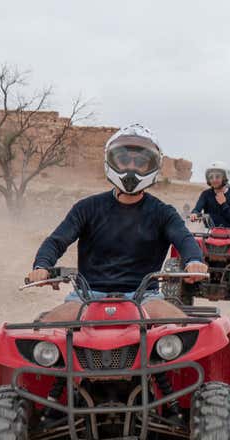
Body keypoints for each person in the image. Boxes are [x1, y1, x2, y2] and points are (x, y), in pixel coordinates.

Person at [26, 124, 208, 321]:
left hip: (146, 298)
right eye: (123, 160)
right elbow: (57, 241)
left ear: (152, 166)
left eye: (140, 162)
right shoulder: (86, 208)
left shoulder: (163, 213)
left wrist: (194, 261)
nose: (131, 167)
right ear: (111, 161)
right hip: (87, 297)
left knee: (182, 331)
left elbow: (184, 239)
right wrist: (42, 266)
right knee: (44, 332)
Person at [190, 161, 230, 227]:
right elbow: (197, 209)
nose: (214, 180)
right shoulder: (206, 194)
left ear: (225, 178)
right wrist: (194, 213)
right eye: (211, 177)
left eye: (217, 177)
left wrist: (223, 204)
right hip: (210, 231)